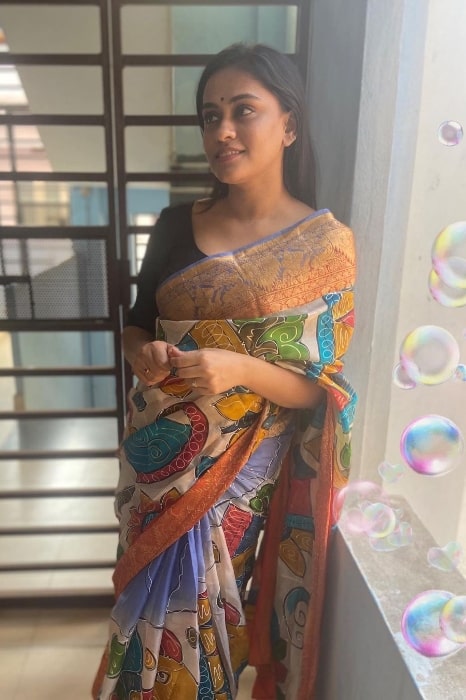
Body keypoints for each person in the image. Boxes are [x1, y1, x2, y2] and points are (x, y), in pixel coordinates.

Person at [93, 43, 356, 700]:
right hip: (159, 469)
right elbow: (137, 323)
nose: (223, 131)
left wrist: (240, 368)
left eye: (244, 111)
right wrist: (141, 352)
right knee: (144, 620)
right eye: (211, 116)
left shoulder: (324, 248)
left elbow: (319, 387)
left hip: (239, 479)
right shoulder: (173, 225)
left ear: (289, 124)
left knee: (213, 621)